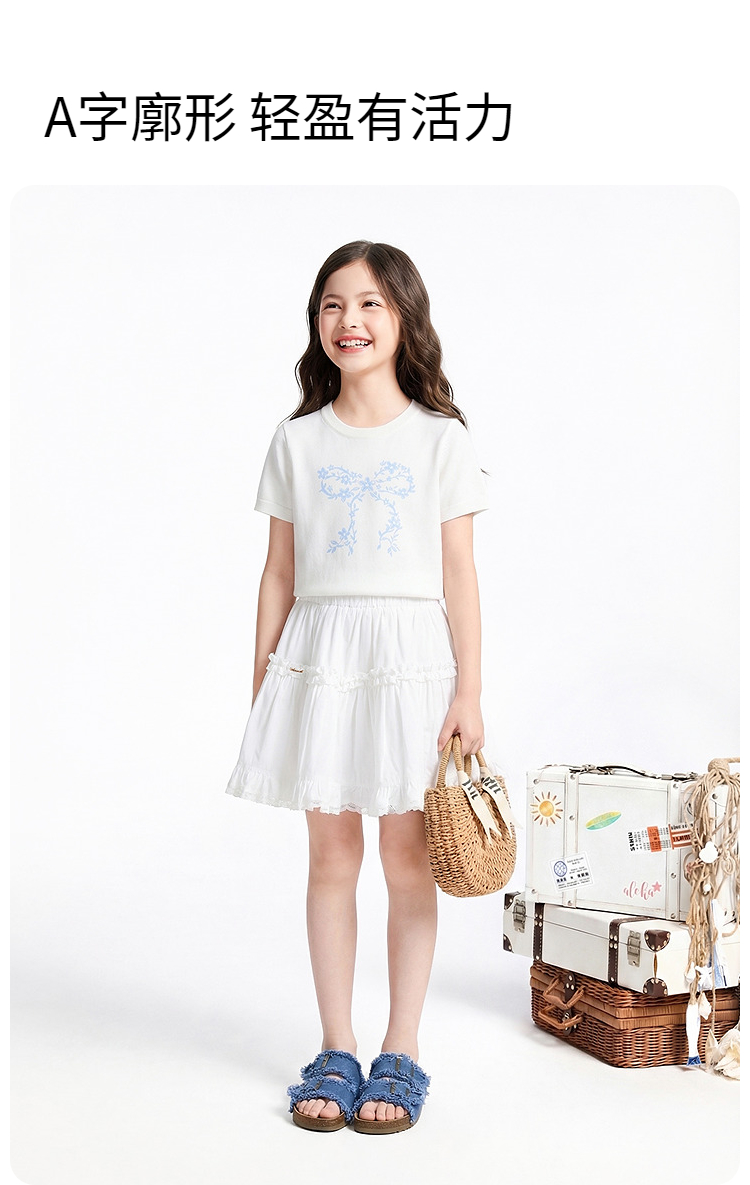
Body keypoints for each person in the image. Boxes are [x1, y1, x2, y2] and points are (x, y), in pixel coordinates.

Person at [225, 240, 489, 1134]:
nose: (350, 320)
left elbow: (460, 573)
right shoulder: (297, 440)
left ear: (404, 317)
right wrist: (264, 682)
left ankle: (401, 1046)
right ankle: (336, 1046)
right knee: (332, 857)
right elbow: (278, 571)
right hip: (322, 659)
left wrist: (470, 692)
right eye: (333, 304)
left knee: (409, 860)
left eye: (371, 303)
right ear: (317, 322)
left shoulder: (441, 438)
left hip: (412, 661)